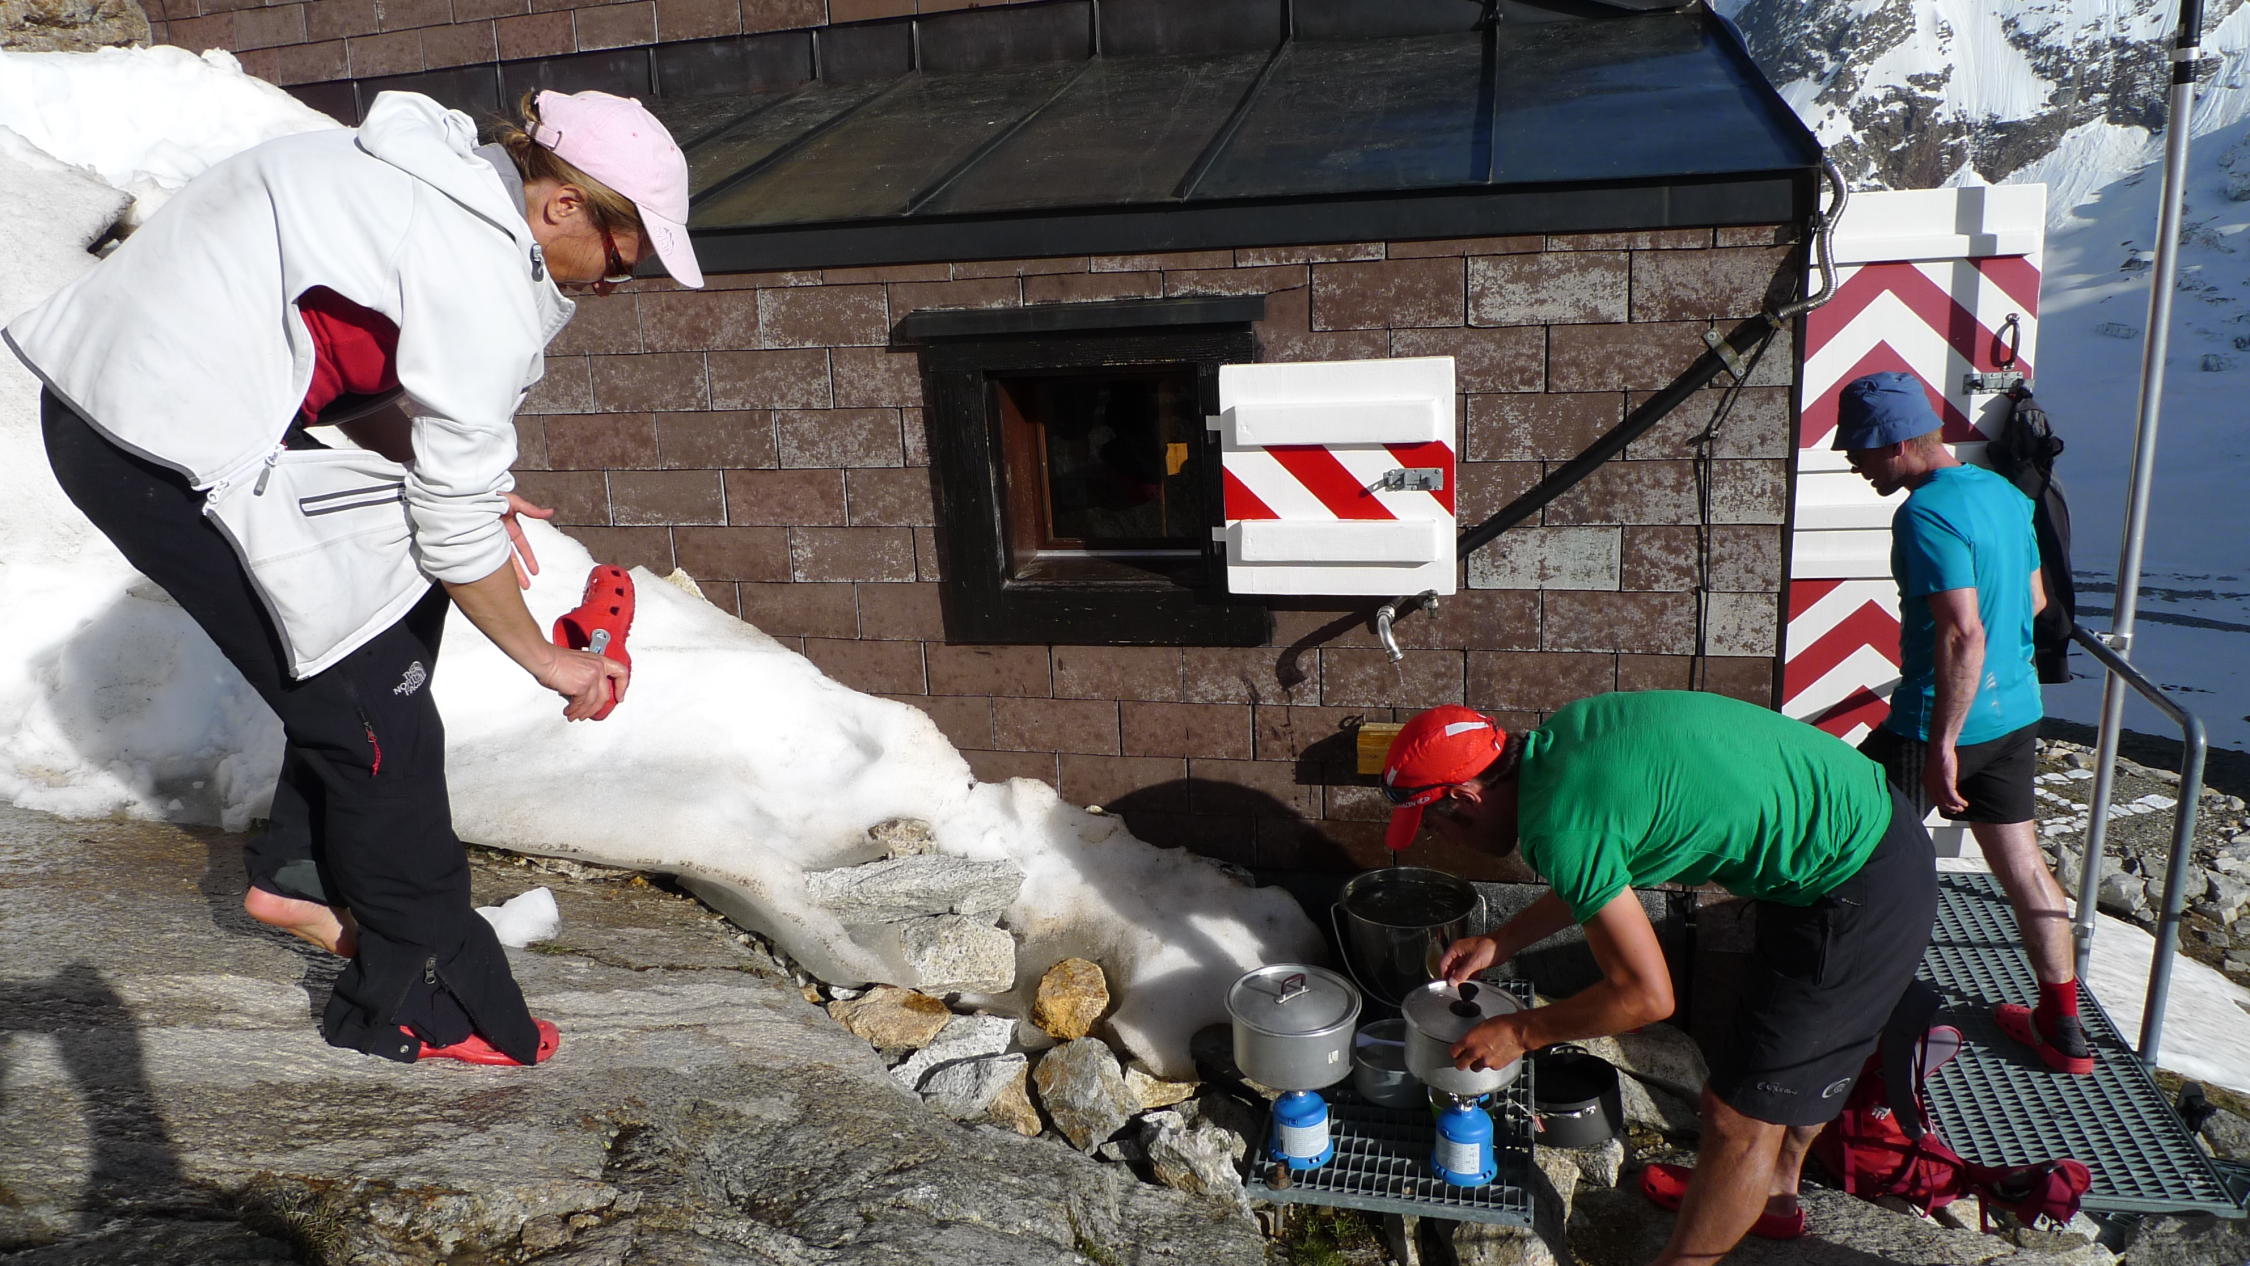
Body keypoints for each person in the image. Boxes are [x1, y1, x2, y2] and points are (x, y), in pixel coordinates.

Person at [7, 88, 703, 1066]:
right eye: (625, 252)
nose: (624, 278)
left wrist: (459, 485)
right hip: (144, 436)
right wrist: (553, 661)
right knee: (378, 722)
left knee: (390, 604)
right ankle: (415, 998)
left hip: (171, 400)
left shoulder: (436, 185)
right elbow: (454, 531)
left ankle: (301, 872)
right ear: (563, 206)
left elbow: (343, 358)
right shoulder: (476, 267)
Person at [1382, 693, 1936, 1264]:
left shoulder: (1561, 827)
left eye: (1432, 826)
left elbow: (1646, 997)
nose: (1440, 840)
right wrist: (1501, 941)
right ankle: (1770, 1195)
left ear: (1464, 796)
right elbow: (1597, 870)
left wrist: (1521, 1032)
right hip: (1836, 829)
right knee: (1779, 1064)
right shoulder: (1563, 743)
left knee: (1737, 1118)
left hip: (1857, 880)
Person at [1833, 371, 2086, 1075]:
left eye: (1858, 450)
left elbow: (1962, 633)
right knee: (2025, 867)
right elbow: (2036, 602)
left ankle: (1851, 1027)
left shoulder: (1924, 515)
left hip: (1933, 727)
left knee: (1847, 860)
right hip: (2015, 715)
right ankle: (2062, 1028)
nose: (1854, 465)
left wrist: (1943, 743)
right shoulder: (2004, 494)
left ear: (1894, 442)